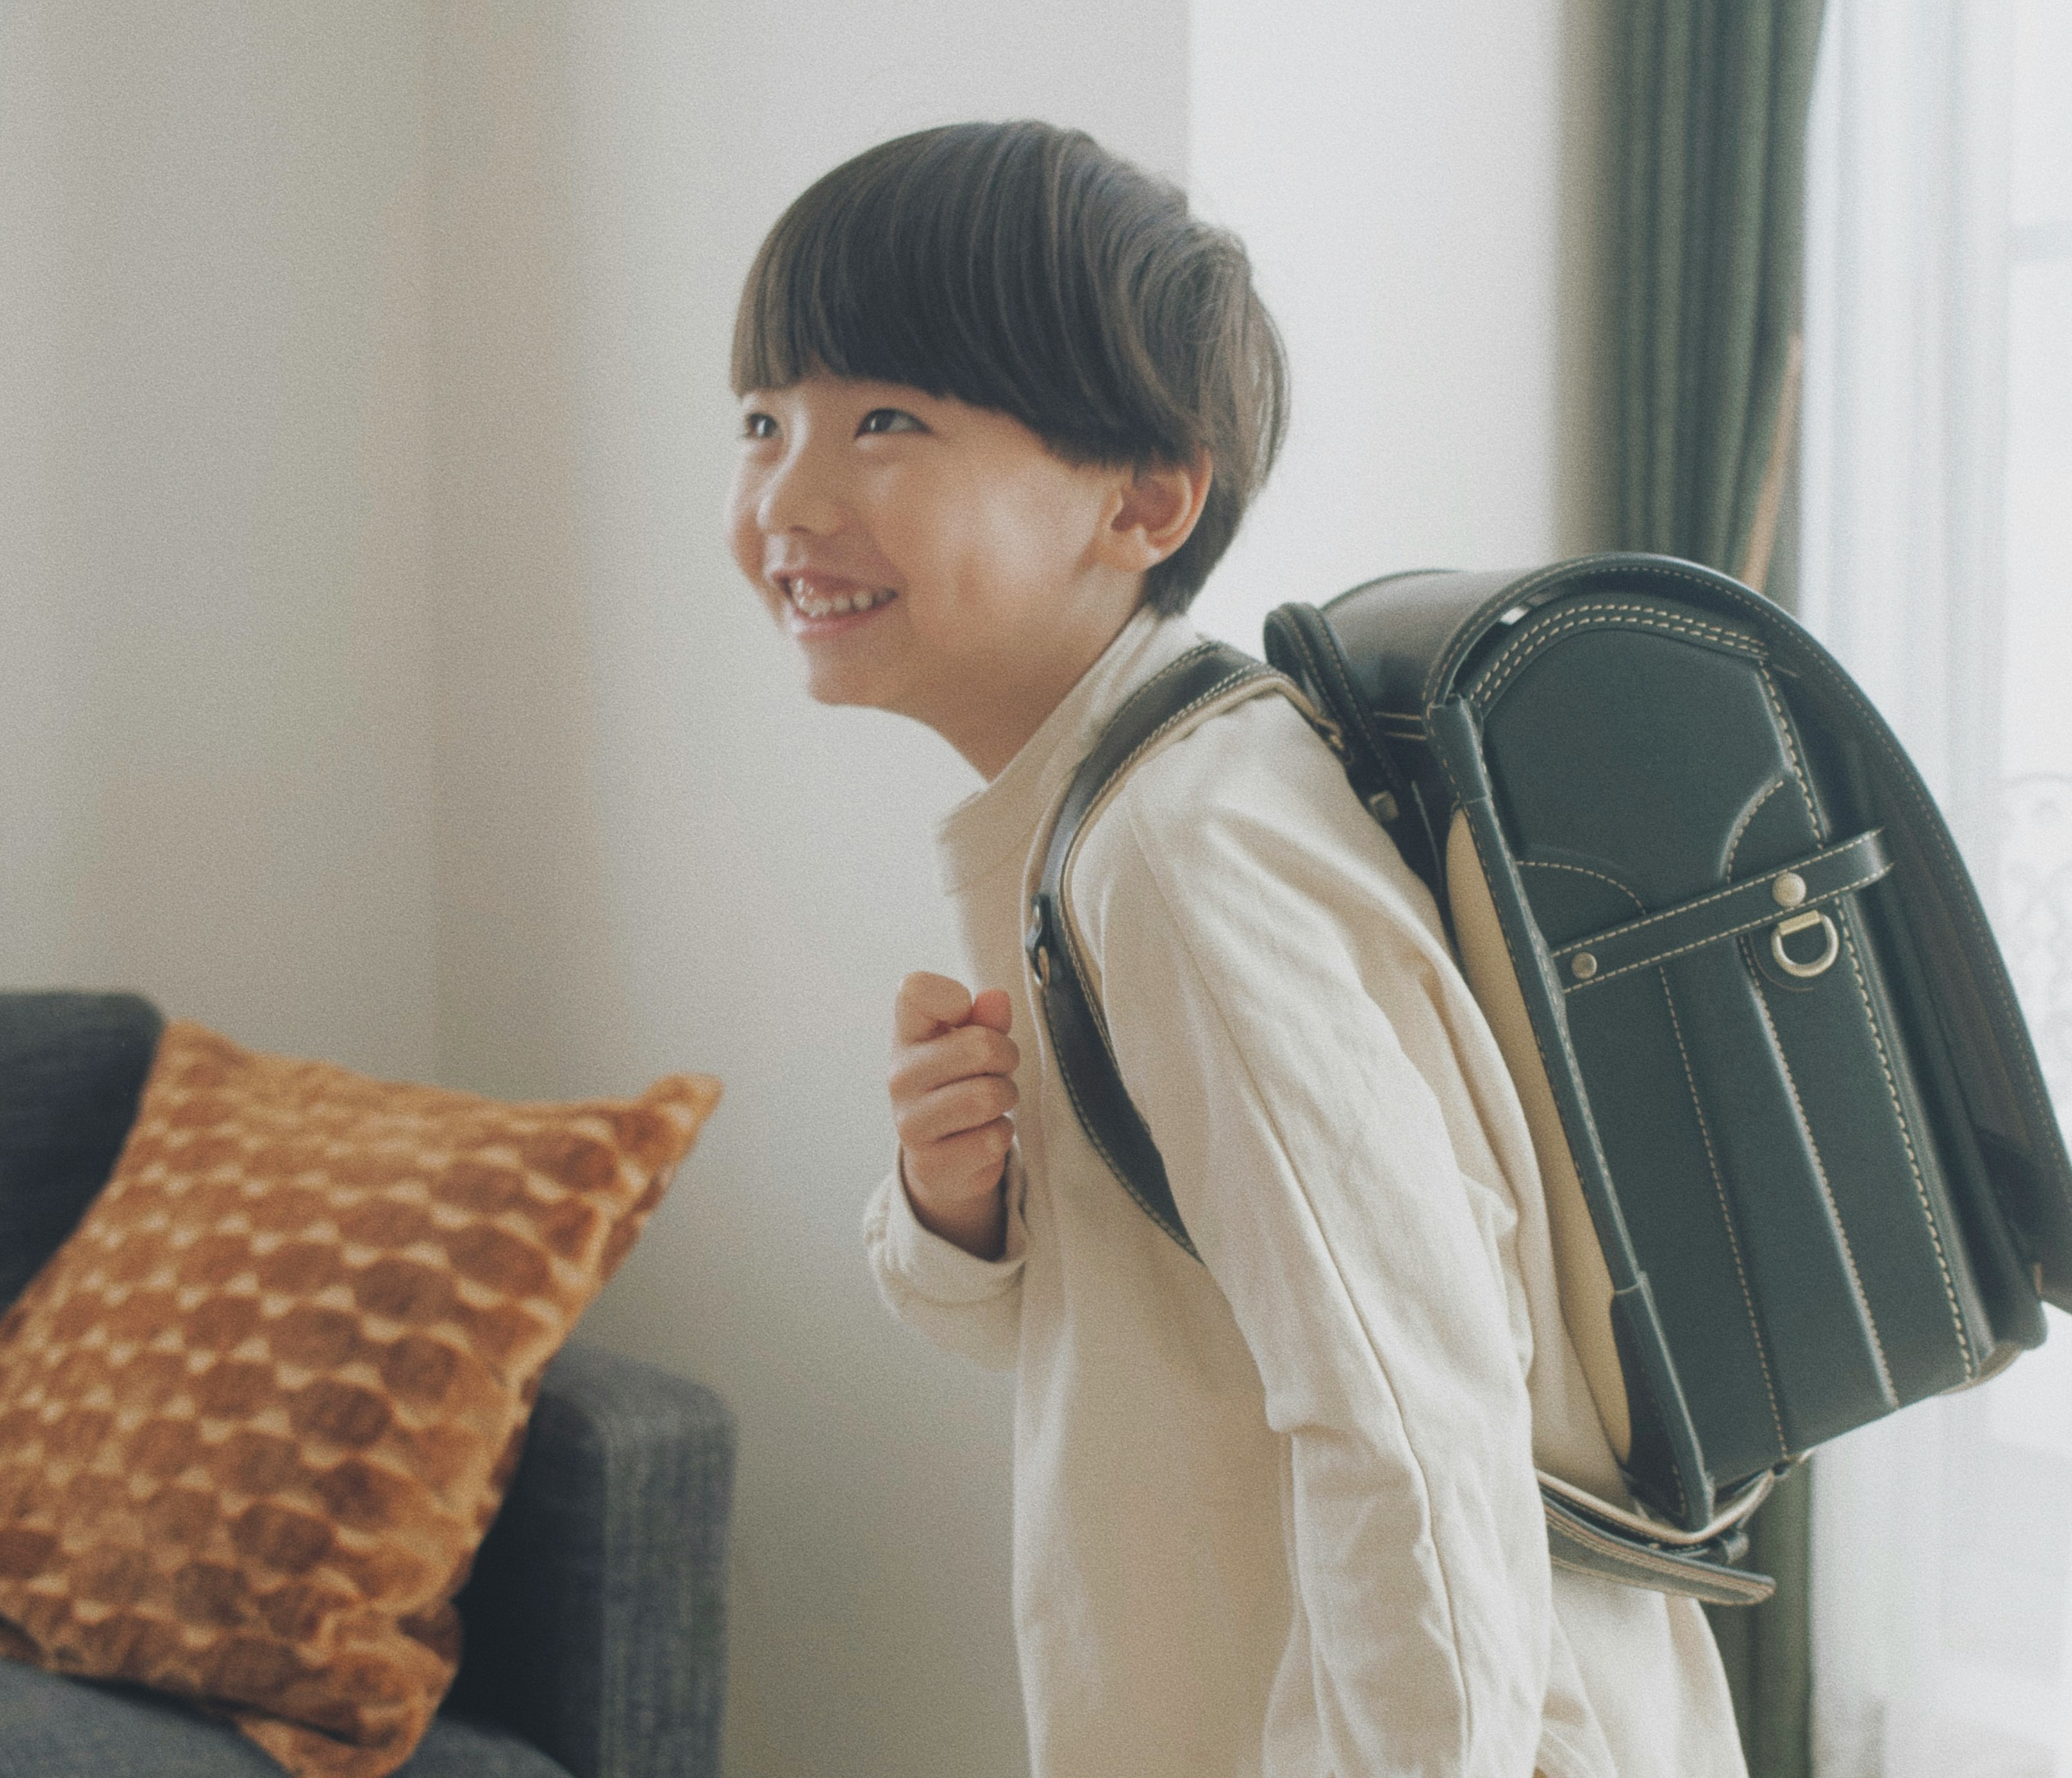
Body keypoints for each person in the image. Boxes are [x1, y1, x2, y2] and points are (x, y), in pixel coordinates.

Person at [726, 119, 1746, 1778]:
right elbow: (1087, 1331)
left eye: (886, 419)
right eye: (764, 420)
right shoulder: (1100, 807)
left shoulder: (1188, 855)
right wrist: (959, 1201)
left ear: (1143, 498)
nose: (787, 494)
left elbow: (1410, 1424)